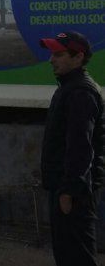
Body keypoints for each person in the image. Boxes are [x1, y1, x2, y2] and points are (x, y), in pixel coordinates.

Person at [39, 31, 104, 266]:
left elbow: (80, 148)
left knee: (77, 257)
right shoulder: (69, 87)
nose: (51, 59)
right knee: (67, 255)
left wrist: (68, 191)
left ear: (78, 57)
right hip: (64, 188)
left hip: (75, 193)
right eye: (52, 53)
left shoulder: (80, 93)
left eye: (59, 54)